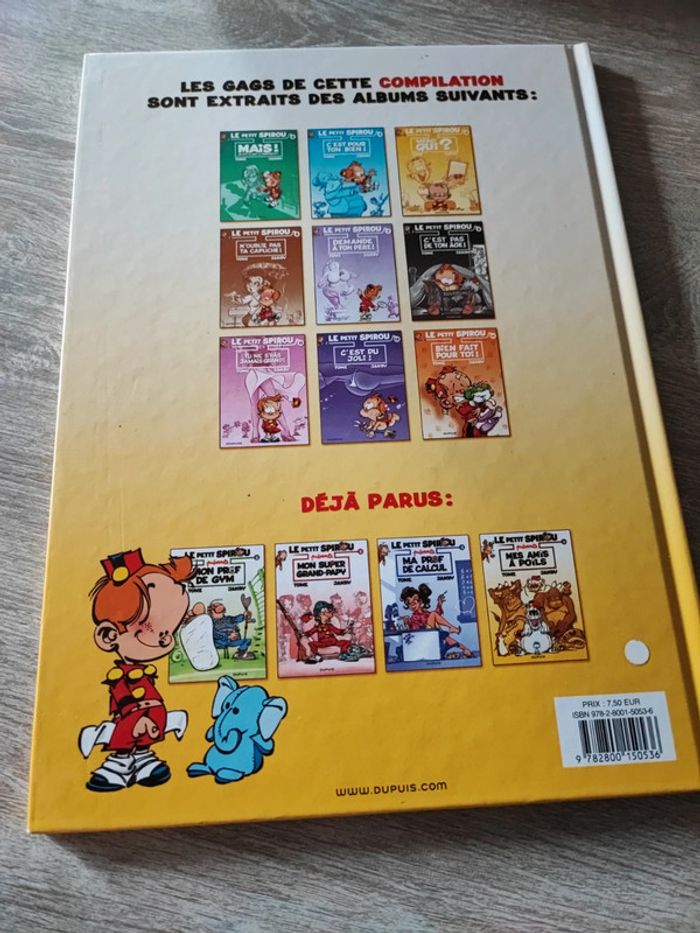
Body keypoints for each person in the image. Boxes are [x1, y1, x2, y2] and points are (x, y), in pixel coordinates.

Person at [82, 548, 194, 792]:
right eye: (153, 628)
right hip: (133, 715)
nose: (167, 640)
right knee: (127, 734)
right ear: (109, 636)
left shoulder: (146, 672)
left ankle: (143, 759)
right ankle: (117, 764)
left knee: (143, 737)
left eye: (170, 630)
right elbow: (122, 697)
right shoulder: (121, 676)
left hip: (149, 715)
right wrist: (137, 715)